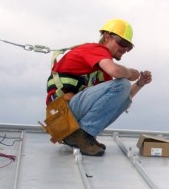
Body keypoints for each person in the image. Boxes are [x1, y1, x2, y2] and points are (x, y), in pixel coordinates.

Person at [46, 18, 152, 156]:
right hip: (62, 114)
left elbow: (118, 101)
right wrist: (130, 73)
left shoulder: (101, 70)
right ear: (107, 37)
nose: (125, 49)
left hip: (69, 113)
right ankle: (82, 134)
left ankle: (85, 136)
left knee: (123, 94)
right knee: (123, 83)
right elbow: (115, 71)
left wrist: (139, 84)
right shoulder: (95, 50)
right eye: (123, 43)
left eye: (129, 47)